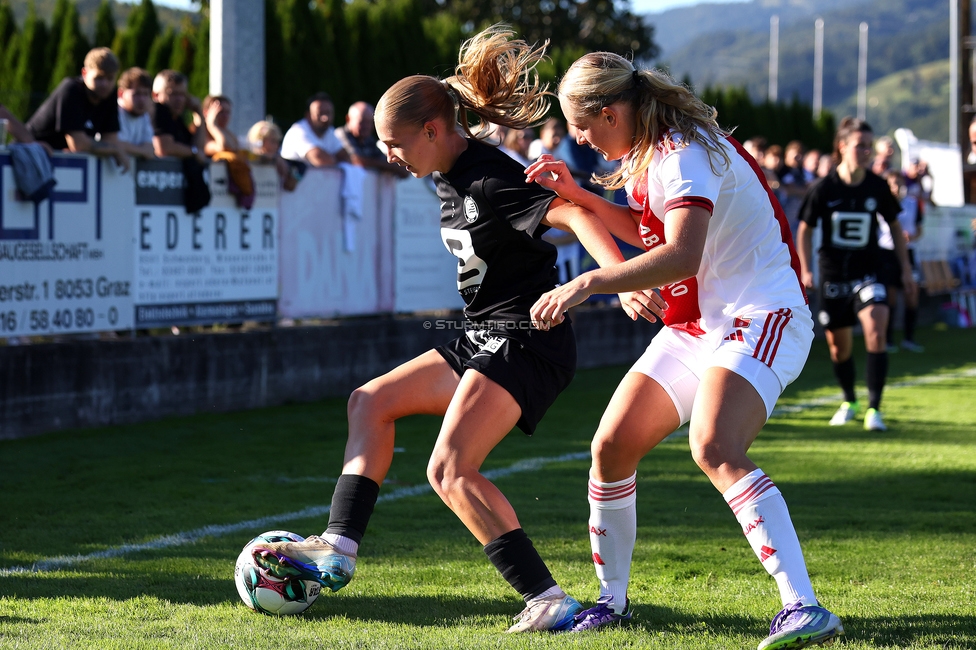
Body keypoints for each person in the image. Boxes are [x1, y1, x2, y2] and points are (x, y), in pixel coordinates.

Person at [250, 25, 662, 634]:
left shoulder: (489, 176)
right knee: (370, 402)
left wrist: (619, 279)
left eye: (393, 143)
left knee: (448, 469)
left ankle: (547, 598)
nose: (387, 155)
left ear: (432, 130)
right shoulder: (446, 174)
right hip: (483, 333)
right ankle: (338, 547)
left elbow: (572, 212)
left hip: (527, 337)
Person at [524, 53, 844, 649]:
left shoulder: (681, 153)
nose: (578, 139)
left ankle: (804, 606)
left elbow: (681, 255)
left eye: (582, 126)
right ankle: (611, 603)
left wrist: (590, 282)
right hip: (702, 325)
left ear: (610, 111)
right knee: (611, 447)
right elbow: (649, 232)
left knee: (715, 446)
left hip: (763, 314)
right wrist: (578, 196)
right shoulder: (655, 149)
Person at [796, 117, 915, 432]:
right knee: (839, 347)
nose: (865, 151)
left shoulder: (877, 186)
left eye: (869, 145)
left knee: (876, 327)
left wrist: (905, 269)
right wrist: (806, 268)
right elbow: (805, 230)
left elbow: (894, 225)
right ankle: (850, 400)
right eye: (859, 145)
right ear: (842, 147)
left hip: (870, 273)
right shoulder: (823, 188)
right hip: (834, 276)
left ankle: (874, 409)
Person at [26, 47, 130, 172]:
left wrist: (112, 148)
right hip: (31, 157)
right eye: (99, 78)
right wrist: (114, 150)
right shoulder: (71, 90)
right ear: (84, 73)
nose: (105, 84)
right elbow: (79, 145)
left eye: (110, 79)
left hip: (59, 165)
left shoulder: (109, 95)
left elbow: (110, 140)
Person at [879, 170, 924, 352]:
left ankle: (909, 338)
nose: (896, 188)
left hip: (908, 253)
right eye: (892, 184)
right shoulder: (881, 203)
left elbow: (920, 228)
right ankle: (889, 339)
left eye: (899, 184)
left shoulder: (912, 204)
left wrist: (912, 236)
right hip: (887, 254)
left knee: (912, 295)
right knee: (890, 298)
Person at [335, 100, 407, 177]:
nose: (366, 127)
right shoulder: (341, 135)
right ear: (348, 119)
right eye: (362, 122)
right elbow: (356, 160)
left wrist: (390, 166)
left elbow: (399, 170)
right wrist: (386, 166)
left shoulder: (368, 139)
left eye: (369, 122)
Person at [280, 92, 350, 167]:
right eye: (320, 113)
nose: (325, 118)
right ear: (308, 115)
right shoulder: (298, 131)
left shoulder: (329, 130)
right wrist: (335, 161)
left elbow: (346, 158)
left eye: (328, 113)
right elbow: (321, 161)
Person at [151, 70, 205, 161]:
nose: (179, 99)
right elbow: (164, 148)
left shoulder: (176, 118)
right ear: (155, 95)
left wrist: (199, 112)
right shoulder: (158, 110)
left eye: (183, 94)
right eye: (173, 94)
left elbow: (199, 147)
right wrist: (193, 152)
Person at [115, 67, 155, 159]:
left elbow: (150, 149)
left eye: (145, 94)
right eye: (136, 94)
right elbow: (116, 144)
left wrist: (130, 149)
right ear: (121, 93)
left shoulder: (144, 116)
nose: (142, 100)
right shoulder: (114, 112)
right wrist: (142, 151)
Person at [247, 119, 297, 191]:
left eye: (277, 142)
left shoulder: (278, 159)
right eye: (273, 141)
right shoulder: (247, 156)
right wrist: (274, 159)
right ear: (260, 140)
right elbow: (258, 156)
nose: (276, 146)